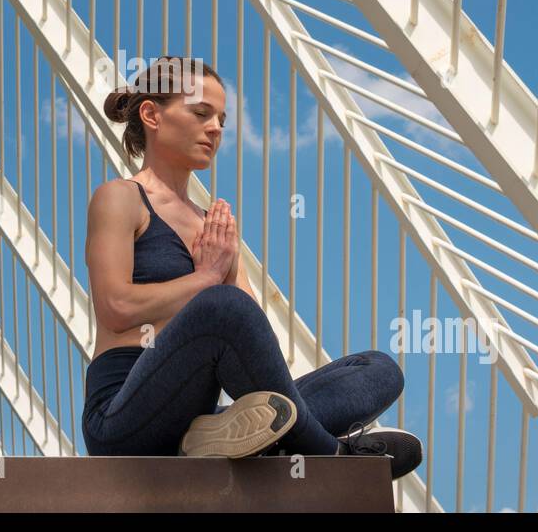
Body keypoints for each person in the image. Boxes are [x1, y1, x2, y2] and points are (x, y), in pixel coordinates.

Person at [81, 55, 422, 477]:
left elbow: (252, 337)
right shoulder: (120, 197)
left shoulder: (215, 228)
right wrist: (205, 278)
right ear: (152, 114)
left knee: (377, 370)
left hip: (197, 419)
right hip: (124, 420)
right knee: (221, 305)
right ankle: (329, 455)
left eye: (222, 120)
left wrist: (220, 273)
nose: (216, 129)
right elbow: (115, 307)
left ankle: (245, 438)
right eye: (201, 113)